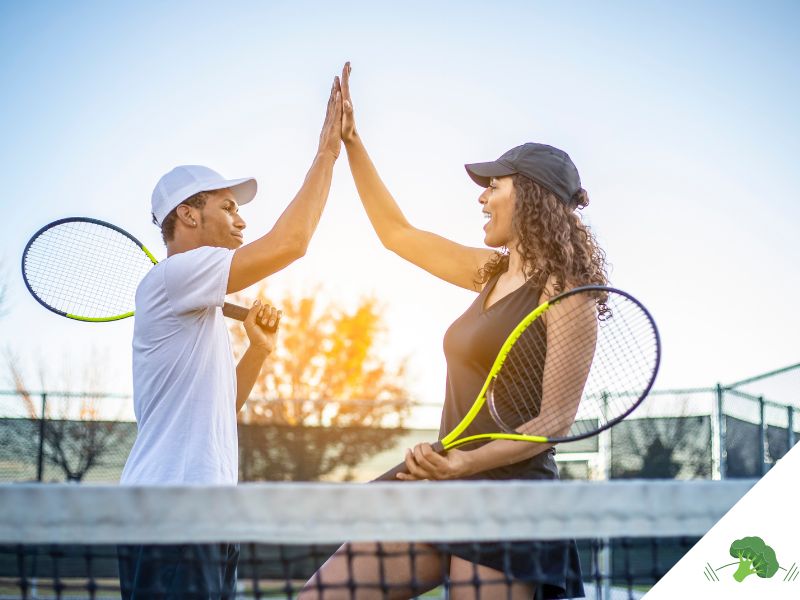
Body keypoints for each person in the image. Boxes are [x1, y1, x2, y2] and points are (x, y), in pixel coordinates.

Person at [298, 63, 607, 600]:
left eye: (495, 185)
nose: (483, 197)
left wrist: (464, 461)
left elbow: (552, 423)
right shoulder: (488, 273)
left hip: (507, 506)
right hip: (445, 485)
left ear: (529, 195)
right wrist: (351, 142)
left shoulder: (567, 293)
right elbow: (396, 233)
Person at [118, 78, 343, 600]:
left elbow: (220, 407)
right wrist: (327, 152)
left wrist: (259, 350)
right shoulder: (175, 276)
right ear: (189, 216)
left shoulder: (200, 307)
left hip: (208, 516)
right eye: (228, 207)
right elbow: (293, 242)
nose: (241, 219)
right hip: (171, 513)